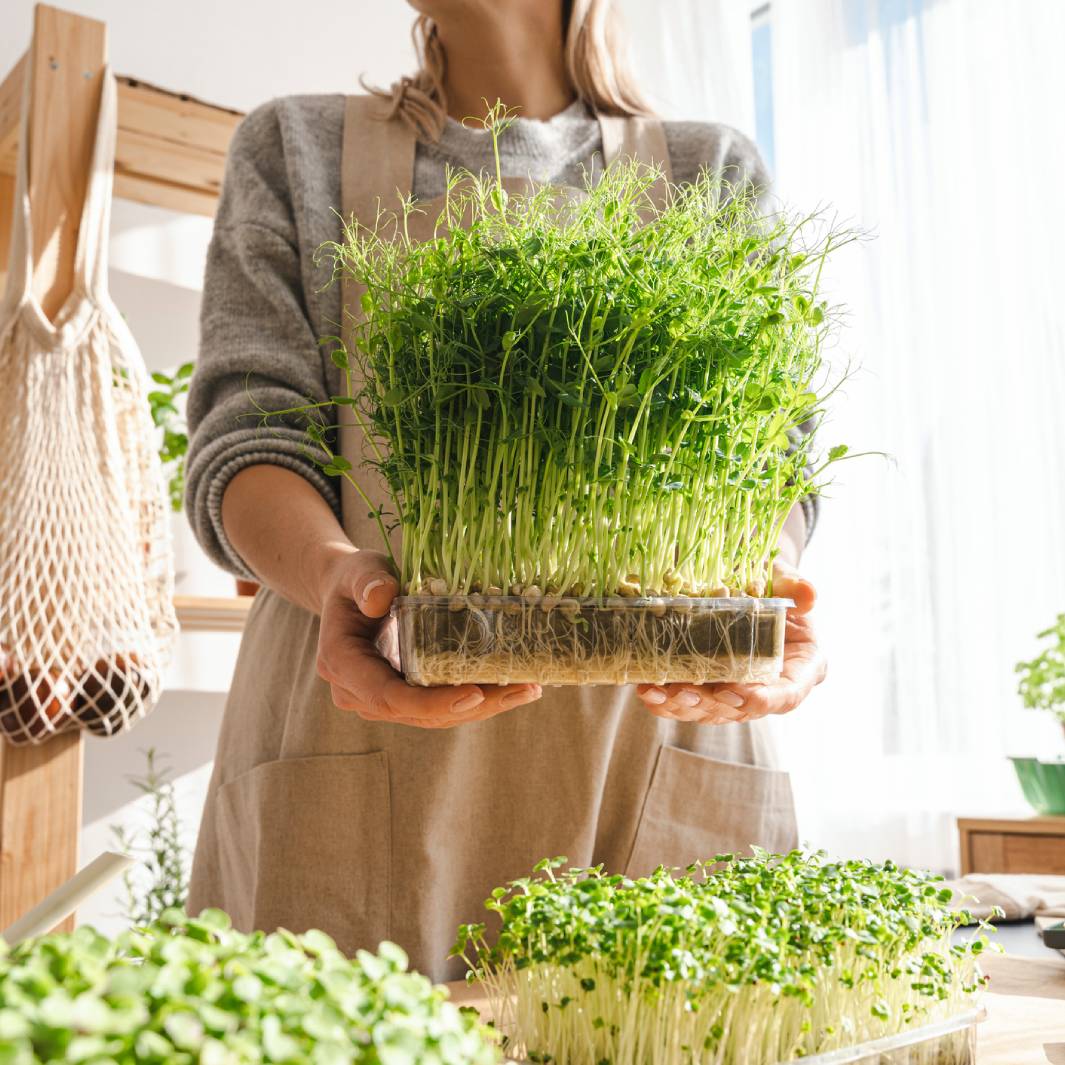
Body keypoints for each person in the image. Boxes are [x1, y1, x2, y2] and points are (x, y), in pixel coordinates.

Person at [185, 0, 826, 982]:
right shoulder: (295, 148)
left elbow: (772, 460)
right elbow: (248, 431)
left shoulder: (712, 169)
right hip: (356, 721)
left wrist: (760, 591)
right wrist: (338, 579)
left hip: (645, 742)